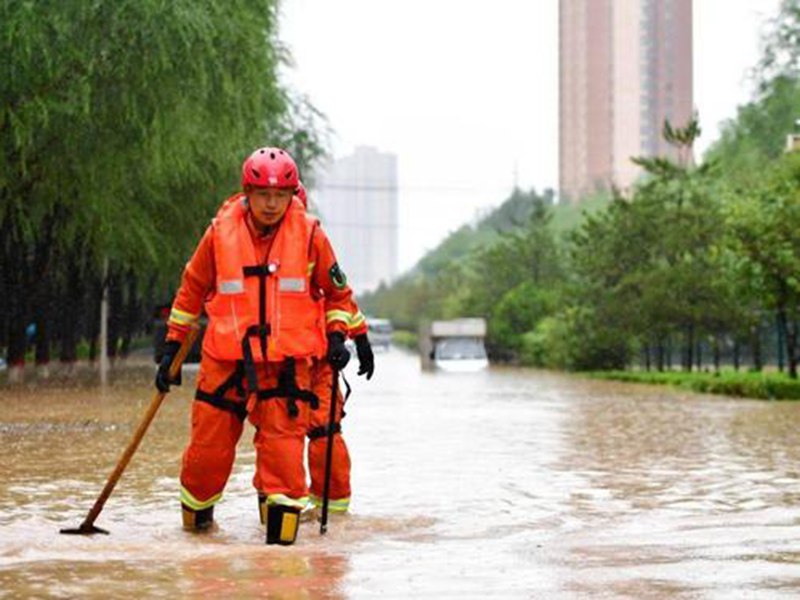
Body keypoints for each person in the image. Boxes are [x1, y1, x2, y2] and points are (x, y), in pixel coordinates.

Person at [155, 147, 360, 545]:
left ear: (291, 195)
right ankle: (197, 546)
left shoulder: (312, 235)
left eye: (279, 195)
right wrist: (171, 350)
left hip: (285, 366)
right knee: (205, 456)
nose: (271, 204)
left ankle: (281, 565)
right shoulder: (218, 233)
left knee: (284, 464)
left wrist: (338, 336)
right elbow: (191, 292)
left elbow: (337, 295)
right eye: (262, 194)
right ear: (246, 192)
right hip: (225, 361)